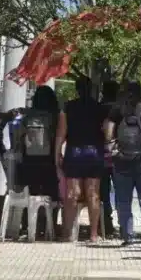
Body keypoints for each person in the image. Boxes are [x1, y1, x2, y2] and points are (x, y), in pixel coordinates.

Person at [106, 81, 141, 246]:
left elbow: (108, 134)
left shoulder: (117, 109)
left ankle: (127, 237)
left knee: (123, 200)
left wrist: (114, 143)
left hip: (122, 161)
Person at [56, 77, 106, 242]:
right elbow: (106, 131)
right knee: (93, 194)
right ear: (91, 89)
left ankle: (67, 233)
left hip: (74, 152)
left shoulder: (68, 107)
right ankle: (93, 234)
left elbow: (61, 133)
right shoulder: (100, 108)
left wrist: (57, 153)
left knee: (72, 194)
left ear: (76, 89)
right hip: (94, 153)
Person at [14, 85, 61, 236]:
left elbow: (19, 138)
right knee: (52, 194)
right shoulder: (55, 116)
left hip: (29, 160)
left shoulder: (28, 117)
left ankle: (28, 226)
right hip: (49, 161)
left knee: (31, 194)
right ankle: (50, 227)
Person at [99, 80, 120, 237]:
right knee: (121, 192)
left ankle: (107, 225)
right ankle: (125, 225)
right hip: (119, 155)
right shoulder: (121, 109)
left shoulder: (98, 108)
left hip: (101, 155)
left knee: (104, 192)